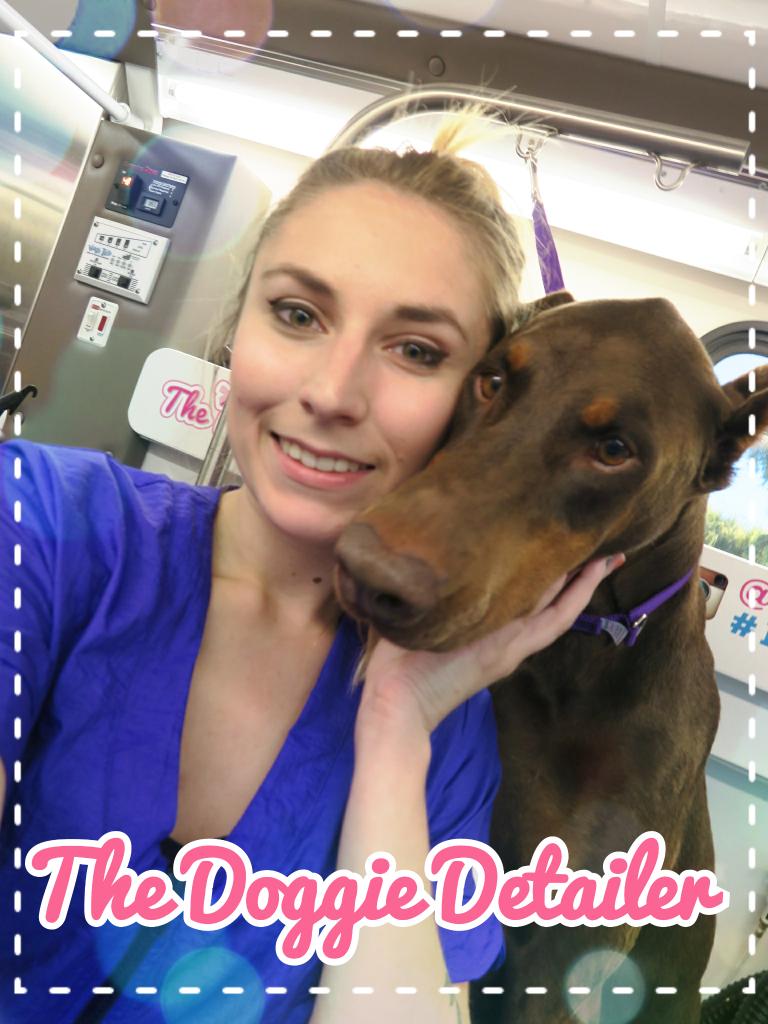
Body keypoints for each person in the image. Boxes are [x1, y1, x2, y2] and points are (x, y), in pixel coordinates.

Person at [0, 110, 621, 1024]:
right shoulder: (47, 526)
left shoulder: (448, 742)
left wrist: (395, 731)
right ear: (238, 329)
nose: (331, 392)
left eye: (416, 351)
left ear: (478, 406)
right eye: (297, 314)